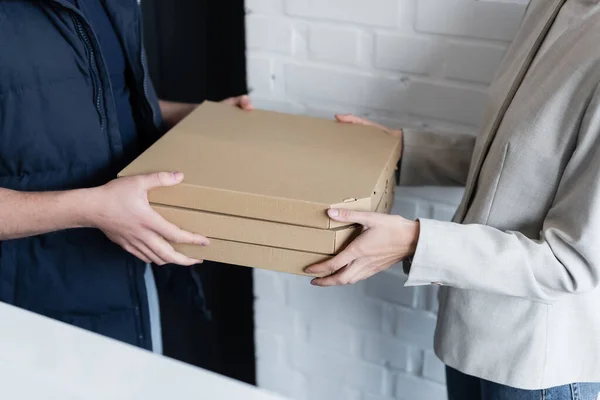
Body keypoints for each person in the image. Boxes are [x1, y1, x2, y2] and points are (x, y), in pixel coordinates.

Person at [306, 0, 600, 399]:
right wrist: (404, 149)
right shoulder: (551, 6)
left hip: (540, 368)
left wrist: (415, 242)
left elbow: (573, 263)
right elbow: (524, 158)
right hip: (468, 339)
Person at [0, 0, 251, 352]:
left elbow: (106, 99)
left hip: (130, 284)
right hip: (26, 309)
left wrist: (196, 118)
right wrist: (88, 208)